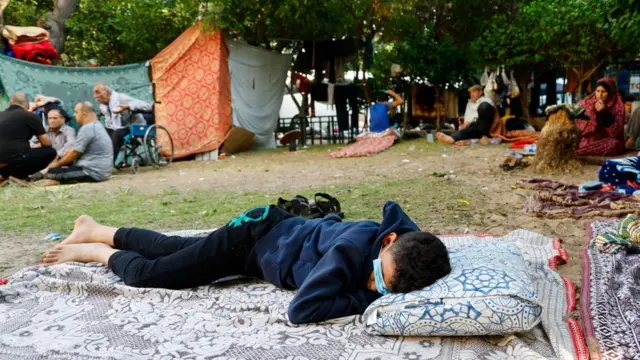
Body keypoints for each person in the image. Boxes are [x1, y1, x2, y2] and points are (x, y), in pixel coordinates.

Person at [42, 201, 451, 325]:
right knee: (157, 274)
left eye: (382, 286)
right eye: (377, 273)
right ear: (387, 240)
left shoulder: (407, 248)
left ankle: (96, 227)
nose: (371, 282)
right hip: (251, 240)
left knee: (173, 249)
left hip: (265, 243)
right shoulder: (350, 253)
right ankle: (94, 249)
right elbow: (302, 309)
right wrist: (365, 299)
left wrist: (386, 289)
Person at [41, 102, 113, 186]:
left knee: (52, 172)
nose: (74, 115)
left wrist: (57, 164)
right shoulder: (97, 125)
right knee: (64, 161)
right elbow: (76, 150)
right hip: (101, 171)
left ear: (84, 114)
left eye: (76, 112)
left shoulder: (87, 128)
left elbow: (75, 153)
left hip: (92, 172)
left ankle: (59, 180)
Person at [0, 93, 56, 184]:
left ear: (10, 103)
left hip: (1, 165)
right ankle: (18, 177)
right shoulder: (30, 116)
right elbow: (46, 143)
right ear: (28, 105)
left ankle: (5, 176)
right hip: (14, 163)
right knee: (50, 152)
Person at [93, 83, 153, 161]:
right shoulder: (103, 105)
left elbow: (148, 106)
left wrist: (128, 107)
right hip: (115, 127)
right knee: (98, 131)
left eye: (97, 92)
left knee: (117, 133)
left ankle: (108, 163)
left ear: (107, 93)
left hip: (133, 127)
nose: (95, 96)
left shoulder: (121, 98)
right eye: (94, 93)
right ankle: (96, 161)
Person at [575, 78, 626, 156]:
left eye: (603, 91)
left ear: (610, 92)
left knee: (614, 145)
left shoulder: (618, 107)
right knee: (577, 142)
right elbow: (578, 128)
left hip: (607, 140)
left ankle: (578, 151)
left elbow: (614, 133)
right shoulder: (585, 104)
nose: (600, 95)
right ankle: (581, 150)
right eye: (597, 91)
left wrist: (604, 112)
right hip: (590, 139)